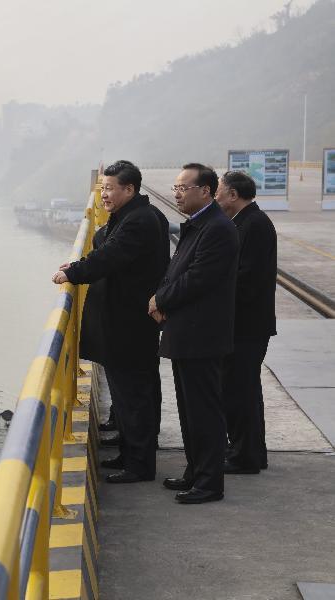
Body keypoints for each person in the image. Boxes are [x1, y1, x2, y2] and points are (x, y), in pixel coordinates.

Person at [52, 160, 169, 483]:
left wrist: (73, 272)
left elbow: (111, 254)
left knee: (134, 394)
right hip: (126, 321)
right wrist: (82, 263)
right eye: (102, 187)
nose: (103, 194)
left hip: (128, 323)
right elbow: (106, 247)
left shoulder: (139, 221)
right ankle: (132, 452)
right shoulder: (135, 216)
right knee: (131, 392)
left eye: (109, 188)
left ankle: (139, 465)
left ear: (129, 189)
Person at [149, 163, 238, 504]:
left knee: (204, 411)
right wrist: (161, 295)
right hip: (186, 333)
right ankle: (195, 471)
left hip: (202, 335)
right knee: (189, 410)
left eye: (184, 187)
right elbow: (175, 271)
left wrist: (160, 299)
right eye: (176, 187)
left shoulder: (217, 229)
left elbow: (197, 278)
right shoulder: (198, 226)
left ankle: (209, 483)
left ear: (206, 190)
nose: (177, 193)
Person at [215, 170, 277, 473]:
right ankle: (247, 450)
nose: (216, 197)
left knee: (240, 391)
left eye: (219, 192)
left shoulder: (255, 225)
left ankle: (246, 456)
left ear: (233, 195)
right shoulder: (244, 222)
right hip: (242, 324)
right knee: (242, 390)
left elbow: (246, 278)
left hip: (248, 326)